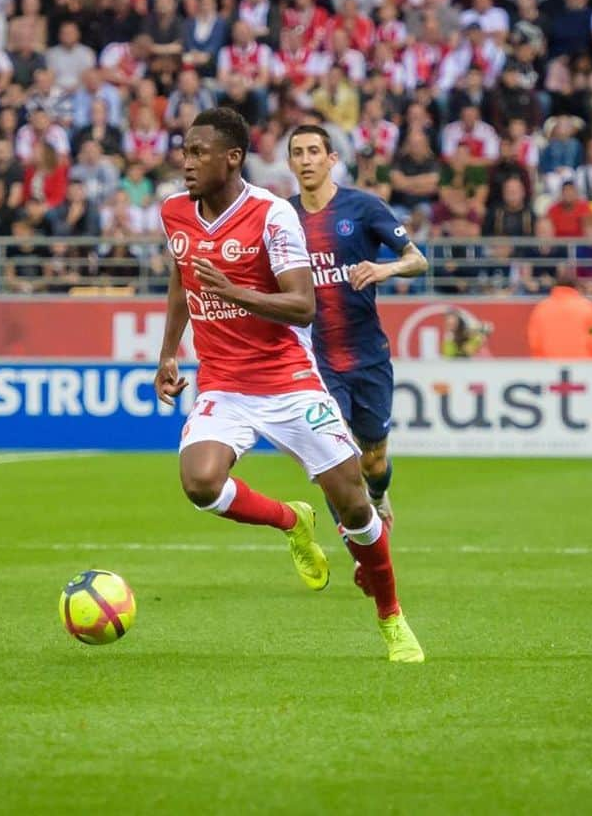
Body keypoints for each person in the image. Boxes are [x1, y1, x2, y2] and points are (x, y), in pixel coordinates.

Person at [155, 107, 423, 663]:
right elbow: (182, 281)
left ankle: (391, 617)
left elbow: (302, 306)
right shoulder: (174, 212)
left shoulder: (272, 215)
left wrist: (233, 292)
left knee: (354, 504)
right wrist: (167, 355)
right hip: (223, 385)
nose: (186, 163)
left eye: (198, 153)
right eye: (184, 151)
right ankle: (290, 519)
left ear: (232, 158)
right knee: (200, 484)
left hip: (290, 381)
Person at [287, 123, 428, 572]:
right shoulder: (281, 217)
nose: (306, 160)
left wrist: (383, 270)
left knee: (373, 457)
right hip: (314, 361)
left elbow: (417, 260)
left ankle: (379, 494)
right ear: (290, 163)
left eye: (314, 151)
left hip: (367, 357)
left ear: (331, 160)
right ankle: (360, 550)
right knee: (335, 457)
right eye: (297, 153)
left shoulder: (362, 207)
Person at [525, 270, 592, 358]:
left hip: (549, 363)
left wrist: (539, 360)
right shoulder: (589, 307)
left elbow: (534, 338)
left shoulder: (541, 308)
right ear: (576, 287)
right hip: (582, 363)